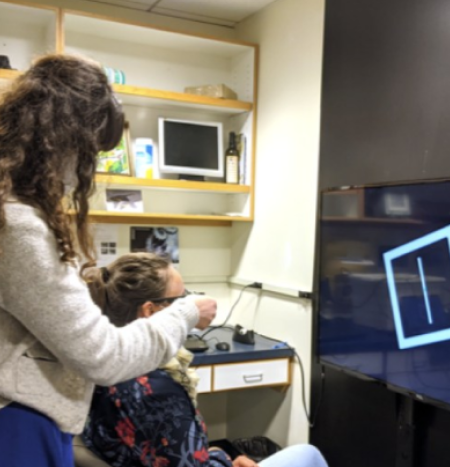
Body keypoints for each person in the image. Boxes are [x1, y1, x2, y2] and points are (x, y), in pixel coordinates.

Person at [0, 53, 217, 467]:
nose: (90, 168)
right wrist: (186, 312)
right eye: (89, 153)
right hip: (17, 425)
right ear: (62, 141)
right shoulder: (18, 225)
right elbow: (103, 355)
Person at [82, 253, 329, 467]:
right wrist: (223, 458)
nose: (191, 304)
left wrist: (213, 454)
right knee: (307, 454)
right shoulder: (157, 392)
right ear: (151, 310)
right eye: (183, 299)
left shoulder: (103, 362)